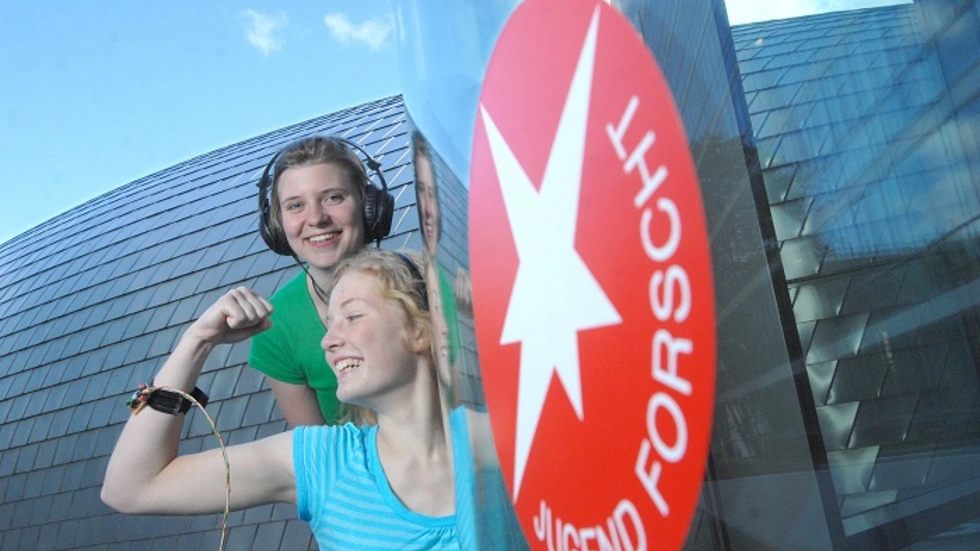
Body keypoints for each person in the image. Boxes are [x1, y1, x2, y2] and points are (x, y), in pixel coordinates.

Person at [102, 250, 462, 550]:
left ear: (422, 329)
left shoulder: (493, 444)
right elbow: (131, 488)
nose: (328, 341)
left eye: (352, 316)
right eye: (330, 323)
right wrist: (197, 341)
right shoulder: (323, 461)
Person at [249, 136, 376, 426]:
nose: (316, 218)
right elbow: (316, 446)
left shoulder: (426, 285)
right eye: (295, 205)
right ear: (276, 224)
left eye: (333, 198)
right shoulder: (275, 325)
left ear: (368, 204)